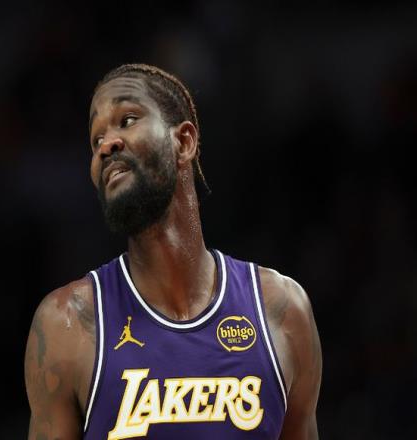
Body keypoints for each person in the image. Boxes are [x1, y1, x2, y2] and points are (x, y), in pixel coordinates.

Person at [24, 63, 322, 439]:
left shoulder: (282, 310)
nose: (106, 146)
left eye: (126, 120)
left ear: (184, 142)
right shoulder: (67, 324)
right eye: (96, 140)